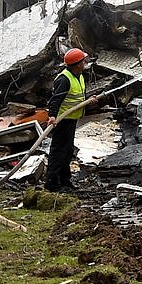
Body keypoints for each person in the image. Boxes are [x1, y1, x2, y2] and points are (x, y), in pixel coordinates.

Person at [44, 47, 98, 192]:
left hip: (71, 119)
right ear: (78, 64)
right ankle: (52, 184)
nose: (86, 62)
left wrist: (88, 100)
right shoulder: (64, 79)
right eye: (83, 60)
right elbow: (55, 100)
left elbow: (77, 96)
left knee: (67, 151)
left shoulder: (79, 75)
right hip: (62, 121)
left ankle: (65, 181)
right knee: (58, 152)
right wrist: (53, 117)